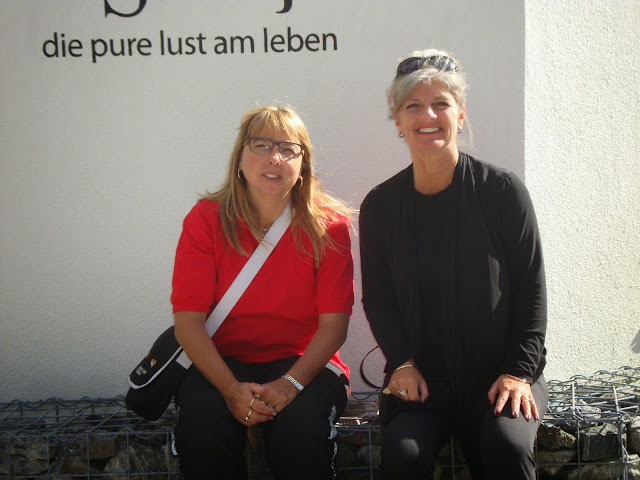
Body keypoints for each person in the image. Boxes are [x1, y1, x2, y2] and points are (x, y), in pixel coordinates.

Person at [359, 49, 548, 480]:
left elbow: (532, 290)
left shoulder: (503, 192)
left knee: (506, 446)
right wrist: (402, 363)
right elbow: (378, 298)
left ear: (460, 114)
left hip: (501, 376)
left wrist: (518, 373)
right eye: (413, 105)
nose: (428, 115)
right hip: (423, 381)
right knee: (404, 455)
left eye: (441, 103)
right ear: (397, 120)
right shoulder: (381, 206)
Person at [171, 105, 354, 479]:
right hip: (220, 361)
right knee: (203, 431)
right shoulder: (205, 219)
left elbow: (334, 325)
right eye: (261, 145)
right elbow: (187, 322)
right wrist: (230, 390)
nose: (275, 158)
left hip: (302, 362)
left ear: (303, 164)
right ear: (239, 158)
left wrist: (290, 385)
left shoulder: (329, 227)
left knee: (302, 436)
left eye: (288, 149)